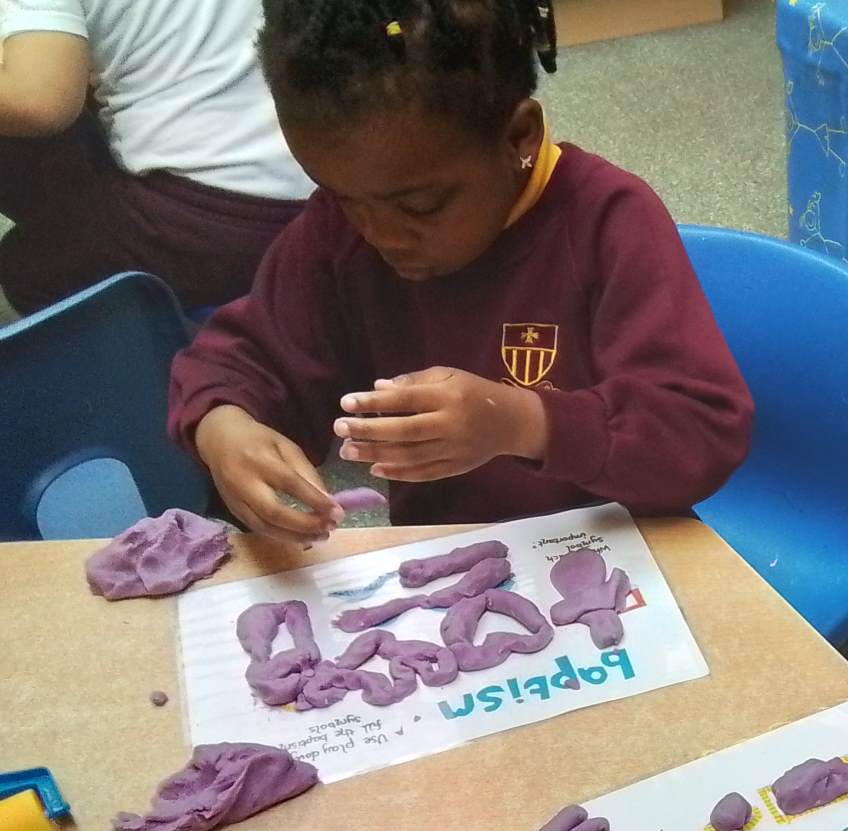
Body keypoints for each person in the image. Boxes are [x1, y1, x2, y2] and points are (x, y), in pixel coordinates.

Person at [169, 0, 750, 544]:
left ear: (519, 138)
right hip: (449, 562)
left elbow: (699, 430)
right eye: (343, 197)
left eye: (421, 206)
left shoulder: (608, 221)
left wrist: (523, 422)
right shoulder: (338, 233)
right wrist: (226, 428)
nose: (381, 234)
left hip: (625, 550)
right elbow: (241, 360)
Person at [0, 0, 311, 315]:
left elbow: (37, 102)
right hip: (317, 179)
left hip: (212, 216)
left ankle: (171, 337)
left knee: (27, 268)